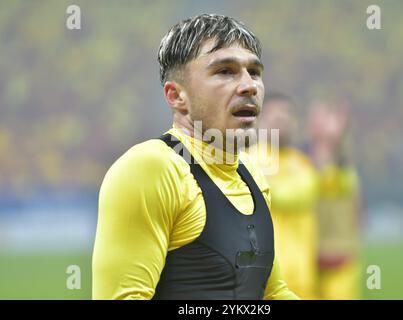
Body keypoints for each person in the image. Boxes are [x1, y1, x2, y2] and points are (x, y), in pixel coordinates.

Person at [92, 14, 299, 300]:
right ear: (176, 96)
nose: (249, 85)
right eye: (225, 71)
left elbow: (272, 292)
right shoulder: (151, 167)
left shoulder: (251, 172)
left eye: (254, 71)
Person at [252, 93, 320, 299]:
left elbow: (299, 196)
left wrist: (265, 184)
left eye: (286, 116)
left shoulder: (303, 164)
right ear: (259, 122)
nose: (281, 122)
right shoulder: (246, 159)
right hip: (261, 278)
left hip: (302, 276)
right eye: (274, 116)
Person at [308, 101, 362, 300]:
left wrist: (331, 141)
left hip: (341, 261)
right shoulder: (300, 163)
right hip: (309, 263)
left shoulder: (346, 173)